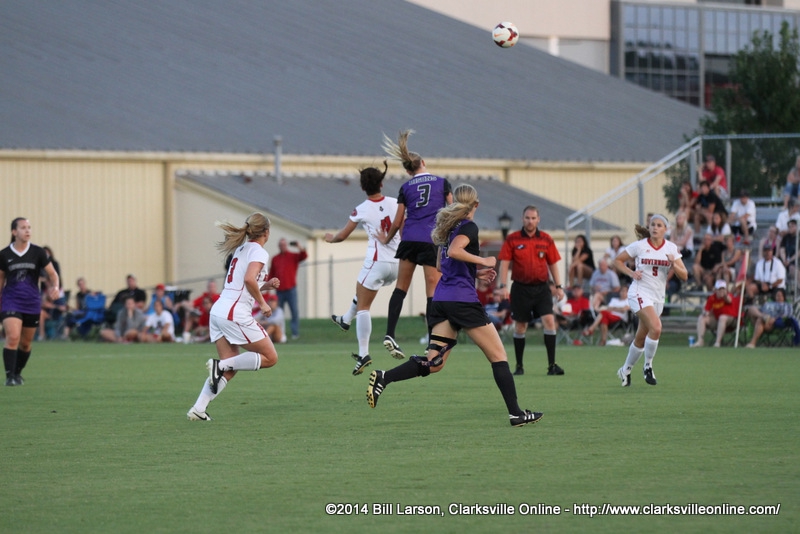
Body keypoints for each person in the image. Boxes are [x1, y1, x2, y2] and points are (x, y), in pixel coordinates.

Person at [365, 184, 543, 427]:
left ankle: (384, 378)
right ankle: (516, 414)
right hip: (463, 302)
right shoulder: (469, 226)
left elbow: (442, 265)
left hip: (442, 301)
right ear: (476, 204)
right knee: (499, 356)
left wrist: (474, 273)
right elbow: (456, 251)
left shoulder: (448, 227)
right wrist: (484, 261)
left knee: (434, 363)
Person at [187, 212, 281, 421]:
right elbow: (248, 279)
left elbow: (245, 283)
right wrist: (263, 303)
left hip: (219, 311)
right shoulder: (259, 252)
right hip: (234, 313)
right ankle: (218, 366)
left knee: (232, 365)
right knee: (270, 358)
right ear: (266, 232)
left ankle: (198, 409)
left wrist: (265, 285)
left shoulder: (242, 249)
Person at [377, 130, 453, 359]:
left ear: (409, 170)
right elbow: (452, 211)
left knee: (401, 288)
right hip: (431, 240)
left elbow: (398, 220)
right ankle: (431, 342)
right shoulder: (442, 183)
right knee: (432, 291)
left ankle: (390, 334)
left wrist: (387, 239)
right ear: (423, 163)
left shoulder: (406, 187)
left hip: (410, 239)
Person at [326, 162, 400, 375]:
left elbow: (343, 235)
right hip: (397, 263)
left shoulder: (361, 209)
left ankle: (363, 354)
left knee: (364, 306)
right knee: (361, 292)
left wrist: (331, 239)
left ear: (362, 187)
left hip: (377, 261)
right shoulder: (396, 203)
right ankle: (345, 319)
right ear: (382, 184)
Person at [614, 215, 688, 387]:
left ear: (666, 229)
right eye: (653, 224)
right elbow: (617, 261)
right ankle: (648, 366)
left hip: (657, 297)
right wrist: (631, 273)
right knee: (656, 327)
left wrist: (674, 264)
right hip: (639, 292)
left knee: (641, 338)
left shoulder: (670, 248)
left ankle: (625, 369)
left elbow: (684, 275)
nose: (655, 227)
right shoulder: (640, 245)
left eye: (659, 225)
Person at [497, 206, 566, 376]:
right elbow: (504, 264)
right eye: (527, 218)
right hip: (520, 288)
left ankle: (552, 365)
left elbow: (553, 264)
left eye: (533, 218)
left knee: (549, 321)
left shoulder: (546, 239)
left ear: (538, 219)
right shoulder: (512, 239)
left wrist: (559, 286)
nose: (530, 221)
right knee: (521, 326)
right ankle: (519, 366)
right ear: (523, 219)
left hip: (542, 288)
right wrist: (503, 286)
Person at [0, 217, 60, 386]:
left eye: (29, 227)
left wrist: (55, 287)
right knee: (13, 337)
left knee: (25, 344)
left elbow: (53, 274)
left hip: (31, 302)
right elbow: (1, 279)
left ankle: (17, 373)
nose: (27, 230)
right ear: (14, 232)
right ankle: (9, 377)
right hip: (11, 301)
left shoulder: (38, 252)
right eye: (23, 227)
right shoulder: (4, 254)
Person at [268, 237, 307, 340]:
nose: (283, 246)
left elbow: (304, 256)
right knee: (278, 312)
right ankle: (280, 334)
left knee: (294, 311)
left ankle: (295, 333)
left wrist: (299, 246)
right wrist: (268, 286)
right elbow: (271, 273)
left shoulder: (293, 256)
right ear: (279, 246)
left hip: (291, 289)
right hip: (279, 290)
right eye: (281, 245)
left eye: (284, 245)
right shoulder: (275, 258)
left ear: (286, 245)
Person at [691, 280, 741, 348]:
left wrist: (724, 295)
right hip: (718, 320)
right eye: (719, 289)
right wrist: (705, 313)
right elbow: (706, 310)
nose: (721, 291)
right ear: (715, 290)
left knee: (722, 317)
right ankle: (700, 341)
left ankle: (717, 342)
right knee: (701, 318)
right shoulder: (712, 298)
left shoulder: (728, 295)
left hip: (732, 321)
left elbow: (729, 300)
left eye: (723, 289)